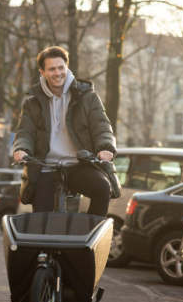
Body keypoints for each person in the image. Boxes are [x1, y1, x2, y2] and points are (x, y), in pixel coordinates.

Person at [12, 46, 119, 216]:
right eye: (52, 69)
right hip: (45, 166)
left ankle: (91, 235)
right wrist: (21, 150)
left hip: (78, 165)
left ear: (66, 68)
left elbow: (102, 126)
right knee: (41, 219)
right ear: (42, 72)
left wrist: (105, 148)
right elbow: (25, 132)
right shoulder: (32, 104)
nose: (57, 73)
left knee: (102, 187)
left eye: (61, 67)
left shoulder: (88, 97)